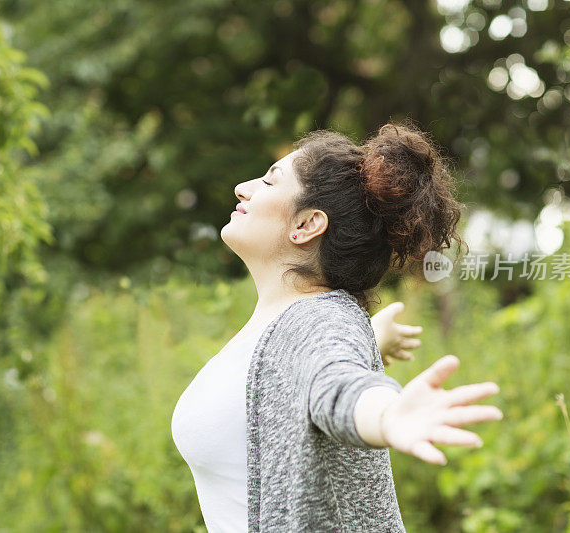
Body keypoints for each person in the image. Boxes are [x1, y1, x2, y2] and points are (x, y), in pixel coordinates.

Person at [171, 121, 503, 532]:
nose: (243, 187)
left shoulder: (317, 321)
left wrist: (386, 414)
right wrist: (370, 341)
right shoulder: (298, 324)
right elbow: (309, 366)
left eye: (269, 182)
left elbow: (336, 382)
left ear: (307, 224)